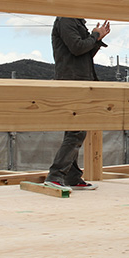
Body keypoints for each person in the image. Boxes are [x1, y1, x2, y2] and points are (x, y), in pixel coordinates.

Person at [44, 16, 111, 191]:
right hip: (72, 81)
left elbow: (85, 54)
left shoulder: (75, 21)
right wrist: (95, 36)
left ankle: (72, 176)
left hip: (80, 80)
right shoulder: (66, 19)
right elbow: (76, 47)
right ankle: (55, 175)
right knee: (76, 131)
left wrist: (96, 39)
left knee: (76, 129)